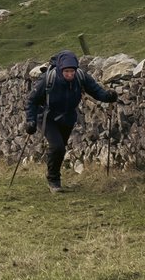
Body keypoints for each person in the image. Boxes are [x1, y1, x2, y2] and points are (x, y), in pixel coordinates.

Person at [22, 50, 117, 191]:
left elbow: (96, 91)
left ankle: (53, 177)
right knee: (57, 146)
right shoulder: (48, 79)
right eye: (66, 71)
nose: (70, 74)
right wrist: (31, 121)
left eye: (72, 71)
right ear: (60, 69)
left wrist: (107, 96)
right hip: (47, 117)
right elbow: (32, 100)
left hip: (67, 118)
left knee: (60, 149)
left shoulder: (81, 76)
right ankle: (53, 181)